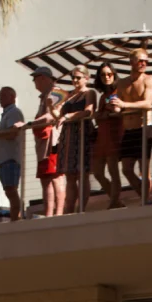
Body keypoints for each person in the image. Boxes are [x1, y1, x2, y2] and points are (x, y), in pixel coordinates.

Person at [114, 48, 152, 200]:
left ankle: (145, 201)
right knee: (126, 169)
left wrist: (124, 105)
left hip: (144, 128)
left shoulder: (148, 80)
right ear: (131, 62)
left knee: (144, 169)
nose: (144, 63)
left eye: (146, 60)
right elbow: (114, 100)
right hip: (129, 130)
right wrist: (113, 105)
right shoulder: (122, 83)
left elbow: (147, 103)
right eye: (140, 60)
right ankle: (144, 197)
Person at [55, 67, 97, 214]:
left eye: (78, 77)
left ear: (86, 78)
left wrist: (68, 116)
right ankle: (70, 209)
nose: (75, 80)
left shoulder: (89, 92)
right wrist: (51, 103)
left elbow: (88, 111)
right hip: (68, 135)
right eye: (73, 77)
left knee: (83, 173)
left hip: (82, 132)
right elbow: (57, 115)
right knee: (70, 175)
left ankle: (82, 208)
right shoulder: (69, 95)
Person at [29, 66, 65, 217]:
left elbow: (52, 116)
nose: (34, 82)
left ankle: (59, 212)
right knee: (45, 178)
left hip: (54, 141)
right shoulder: (44, 97)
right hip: (44, 144)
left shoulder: (56, 92)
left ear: (43, 78)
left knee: (56, 176)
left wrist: (30, 124)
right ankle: (49, 213)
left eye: (35, 79)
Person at [91, 63, 124, 209]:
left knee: (113, 170)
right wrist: (102, 114)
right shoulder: (103, 96)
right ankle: (115, 199)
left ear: (114, 75)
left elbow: (118, 110)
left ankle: (114, 201)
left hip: (114, 134)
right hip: (102, 135)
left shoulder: (119, 90)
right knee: (97, 172)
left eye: (109, 74)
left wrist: (108, 112)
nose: (106, 77)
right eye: (103, 75)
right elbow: (99, 116)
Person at [0, 86, 25, 222]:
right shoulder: (7, 113)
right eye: (0, 96)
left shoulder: (14, 112)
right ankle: (15, 218)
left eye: (3, 96)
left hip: (10, 159)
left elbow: (12, 133)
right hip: (5, 160)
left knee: (11, 190)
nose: (0, 99)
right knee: (8, 190)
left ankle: (15, 219)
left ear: (12, 97)